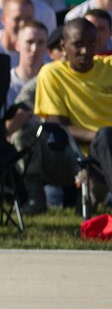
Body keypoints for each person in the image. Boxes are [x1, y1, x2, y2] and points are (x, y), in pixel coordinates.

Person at [20, 17, 112, 209]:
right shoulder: (52, 73)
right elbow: (58, 126)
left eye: (91, 44)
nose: (85, 51)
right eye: (78, 45)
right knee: (105, 134)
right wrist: (98, 136)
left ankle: (95, 194)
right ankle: (37, 198)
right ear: (63, 45)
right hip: (75, 152)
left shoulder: (109, 67)